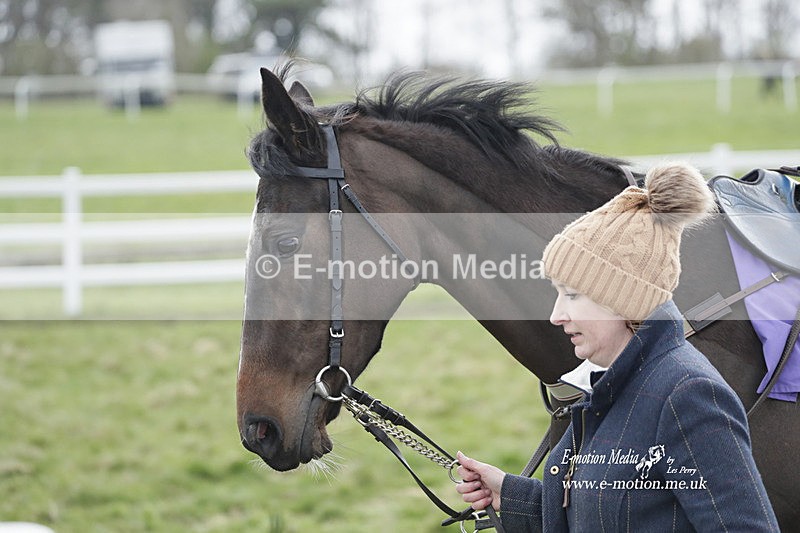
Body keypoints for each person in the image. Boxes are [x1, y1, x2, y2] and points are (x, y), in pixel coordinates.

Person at [455, 163, 779, 531]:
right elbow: (611, 510)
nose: (556, 316)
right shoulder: (611, 384)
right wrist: (512, 496)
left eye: (572, 295)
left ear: (623, 299)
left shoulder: (688, 396)